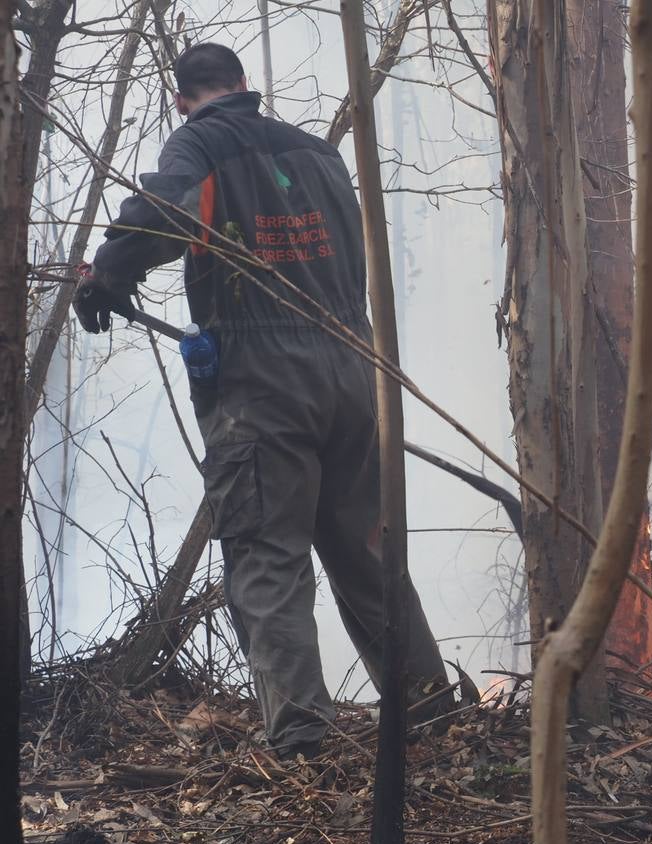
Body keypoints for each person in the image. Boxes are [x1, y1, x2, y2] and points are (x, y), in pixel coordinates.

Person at [77, 43, 449, 759]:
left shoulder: (199, 143)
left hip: (261, 382)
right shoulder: (319, 154)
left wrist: (107, 275)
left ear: (181, 97)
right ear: (245, 85)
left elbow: (163, 213)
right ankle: (433, 713)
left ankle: (302, 743)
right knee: (367, 552)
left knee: (267, 555)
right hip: (350, 365)